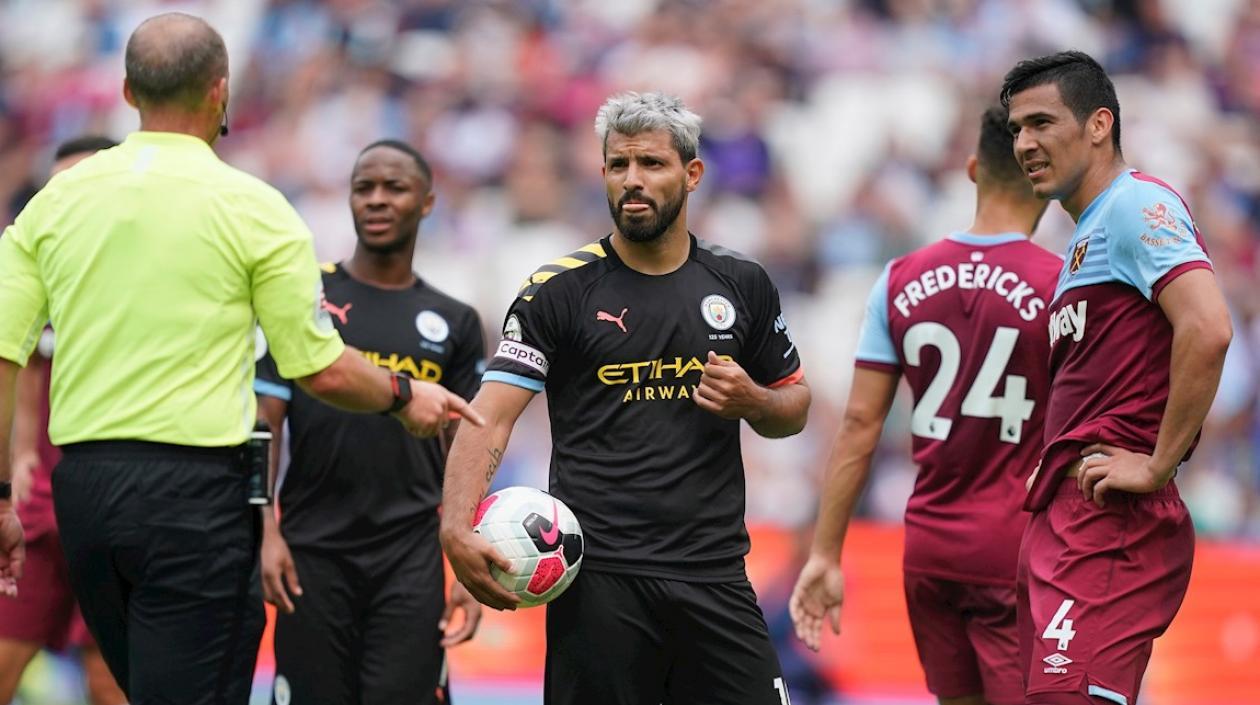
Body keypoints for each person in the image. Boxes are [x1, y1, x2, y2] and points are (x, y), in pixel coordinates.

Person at [0, 13, 480, 705]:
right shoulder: (255, 208)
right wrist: (407, 396)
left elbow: (6, 352)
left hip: (86, 495)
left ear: (129, 91)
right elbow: (321, 369)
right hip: (195, 496)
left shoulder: (54, 202)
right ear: (220, 92)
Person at [440, 91, 811, 705]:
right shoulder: (558, 292)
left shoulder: (740, 284)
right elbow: (490, 418)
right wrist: (455, 527)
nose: (632, 181)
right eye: (619, 165)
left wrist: (753, 401)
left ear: (692, 174)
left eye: (652, 165)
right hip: (600, 585)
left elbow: (792, 408)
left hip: (713, 574)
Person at [788, 106, 1058, 705]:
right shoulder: (1060, 285)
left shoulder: (899, 278)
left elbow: (860, 425)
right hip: (1017, 552)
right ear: (1045, 180)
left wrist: (826, 553)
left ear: (971, 170)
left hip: (929, 548)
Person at [1002, 51, 1231, 705]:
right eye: (1016, 128)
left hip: (1110, 519)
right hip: (1068, 519)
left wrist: (1157, 463)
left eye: (1042, 122)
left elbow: (1208, 326)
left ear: (1099, 124)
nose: (1025, 143)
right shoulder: (1083, 238)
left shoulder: (1136, 205)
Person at [255, 139, 485, 705]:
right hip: (311, 554)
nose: (376, 200)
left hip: (410, 557)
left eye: (394, 188)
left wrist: (472, 564)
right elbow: (265, 422)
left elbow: (472, 448)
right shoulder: (306, 296)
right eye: (364, 188)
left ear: (427, 202)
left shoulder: (455, 321)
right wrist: (264, 531)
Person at [0, 136, 126, 705]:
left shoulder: (142, 274)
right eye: (57, 185)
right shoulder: (38, 263)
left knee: (106, 673)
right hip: (41, 498)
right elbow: (24, 361)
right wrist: (22, 450)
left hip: (117, 496)